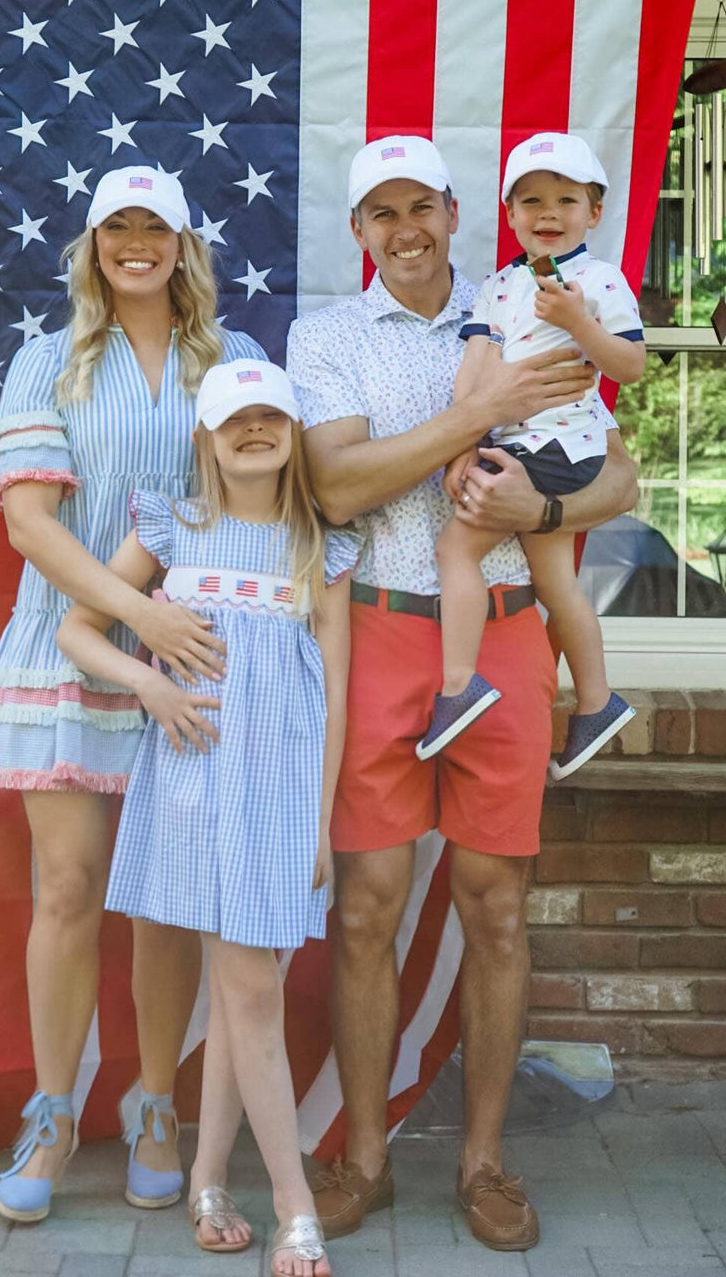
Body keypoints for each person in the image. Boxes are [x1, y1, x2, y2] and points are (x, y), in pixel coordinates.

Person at [285, 135, 637, 1254]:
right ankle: (366, 1156)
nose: (405, 229)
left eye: (421, 206)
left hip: (507, 636)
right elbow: (338, 484)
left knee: (494, 904)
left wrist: (540, 514)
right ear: (359, 231)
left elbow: (616, 474)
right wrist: (482, 415)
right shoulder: (326, 335)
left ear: (451, 209)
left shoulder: (533, 298)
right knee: (366, 907)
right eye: (379, 213)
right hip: (384, 630)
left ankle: (484, 1162)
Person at [0, 165, 267, 1224]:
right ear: (92, 244)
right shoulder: (46, 361)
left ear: (186, 244)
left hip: (197, 656)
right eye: (117, 227)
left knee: (170, 896)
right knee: (68, 884)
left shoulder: (235, 362)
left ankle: (154, 1105)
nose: (137, 242)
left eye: (157, 227)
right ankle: (50, 1110)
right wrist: (136, 621)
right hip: (68, 648)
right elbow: (31, 524)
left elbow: (263, 503)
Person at [58, 358, 358, 1277]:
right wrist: (148, 680)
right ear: (206, 438)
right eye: (236, 421)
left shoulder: (321, 546)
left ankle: (211, 1180)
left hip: (278, 792)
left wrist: (318, 822)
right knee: (249, 988)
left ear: (293, 432)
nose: (255, 432)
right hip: (195, 783)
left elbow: (335, 691)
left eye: (272, 417)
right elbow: (76, 628)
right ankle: (295, 1205)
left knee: (245, 990)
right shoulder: (175, 527)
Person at [424, 132, 645, 775]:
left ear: (594, 213)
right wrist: (462, 444)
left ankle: (459, 684)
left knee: (454, 548)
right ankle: (596, 704)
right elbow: (476, 367)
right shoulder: (498, 287)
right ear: (511, 214)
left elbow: (628, 366)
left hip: (561, 442)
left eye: (566, 200)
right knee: (557, 584)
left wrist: (580, 324)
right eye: (531, 201)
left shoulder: (600, 282)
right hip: (513, 440)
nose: (548, 214)